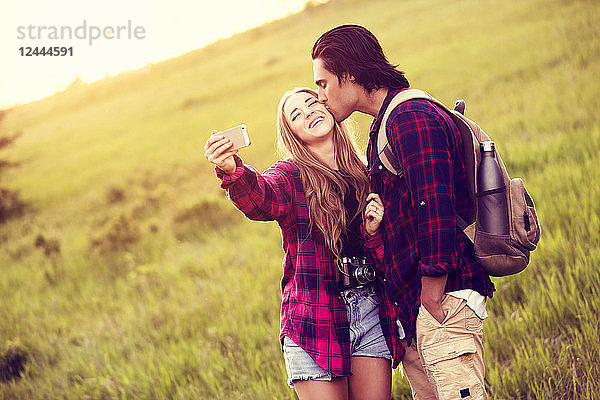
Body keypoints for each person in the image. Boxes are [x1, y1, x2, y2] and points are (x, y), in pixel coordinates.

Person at [311, 25, 495, 399]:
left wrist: (431, 292)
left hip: (441, 298)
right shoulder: (385, 123)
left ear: (348, 74)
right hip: (415, 308)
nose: (320, 96)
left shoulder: (410, 115)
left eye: (323, 83)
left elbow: (435, 205)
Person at [203, 87, 403, 400]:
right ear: (292, 133)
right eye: (297, 114)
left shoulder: (365, 171)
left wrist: (375, 229)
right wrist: (233, 171)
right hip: (314, 316)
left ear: (329, 111)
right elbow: (262, 199)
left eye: (313, 104)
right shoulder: (290, 175)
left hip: (369, 309)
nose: (309, 113)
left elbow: (382, 249)